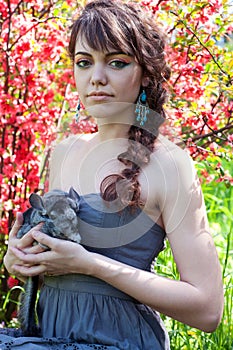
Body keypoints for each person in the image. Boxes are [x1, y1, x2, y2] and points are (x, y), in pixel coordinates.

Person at [1, 0, 224, 349]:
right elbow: (56, 265)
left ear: (146, 75)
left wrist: (92, 265)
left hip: (116, 339)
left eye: (116, 62)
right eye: (84, 63)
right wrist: (21, 259)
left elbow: (208, 310)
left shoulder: (170, 165)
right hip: (48, 332)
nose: (97, 78)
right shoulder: (64, 152)